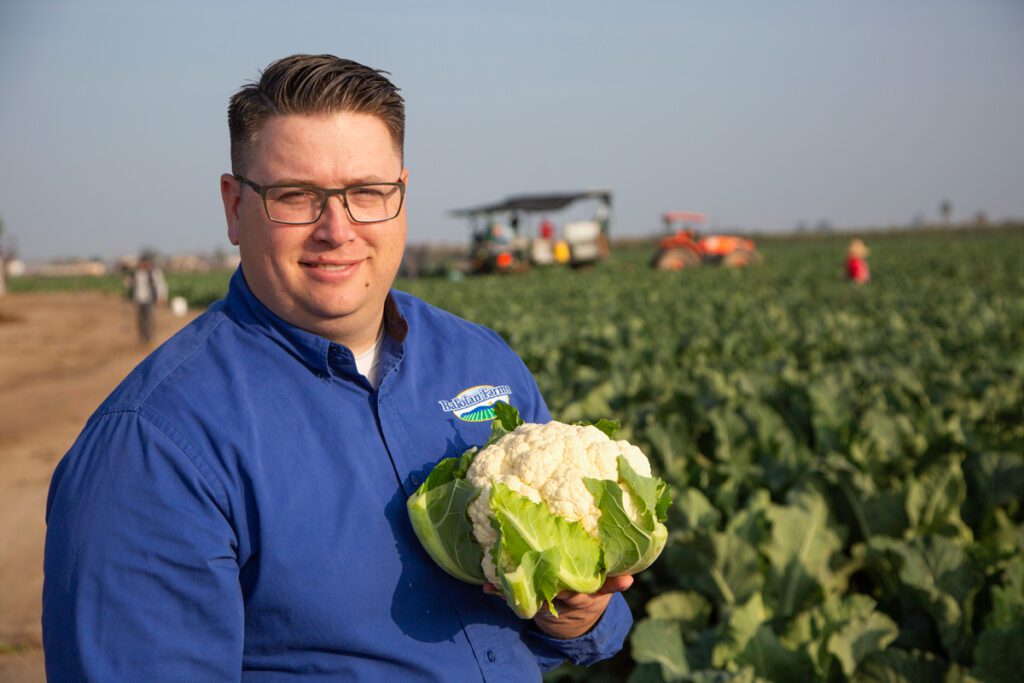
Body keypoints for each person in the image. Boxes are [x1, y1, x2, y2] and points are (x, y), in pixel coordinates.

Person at [42, 54, 632, 681]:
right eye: (295, 196)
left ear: (401, 194)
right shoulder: (152, 447)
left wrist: (575, 611)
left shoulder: (482, 359)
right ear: (233, 205)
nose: (337, 229)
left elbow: (572, 631)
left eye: (366, 193)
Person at [125, 252, 168, 343]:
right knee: (140, 319)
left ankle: (150, 337)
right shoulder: (137, 273)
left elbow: (160, 285)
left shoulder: (154, 272)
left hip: (149, 299)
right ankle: (142, 337)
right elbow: (131, 284)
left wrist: (161, 297)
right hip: (138, 299)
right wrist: (128, 282)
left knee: (149, 319)